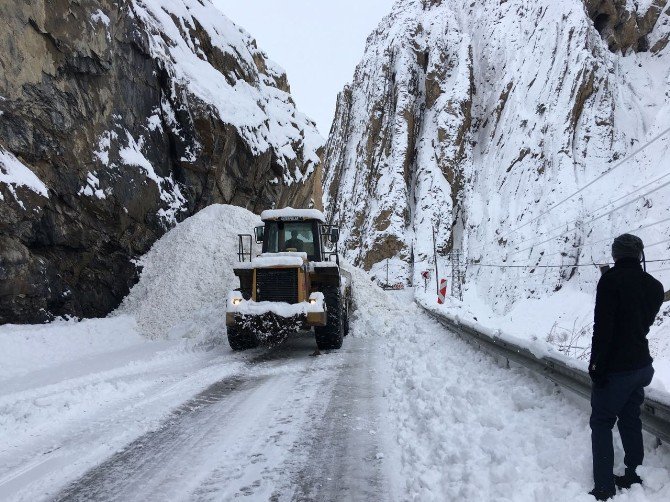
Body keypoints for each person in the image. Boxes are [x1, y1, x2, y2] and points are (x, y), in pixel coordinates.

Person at [588, 234, 664, 500]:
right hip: (642, 365)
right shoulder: (654, 286)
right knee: (630, 418)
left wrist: (596, 365)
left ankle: (604, 486)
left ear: (615, 255)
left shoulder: (610, 281)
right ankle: (633, 472)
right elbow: (642, 324)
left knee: (601, 421)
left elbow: (604, 329)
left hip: (617, 369)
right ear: (639, 255)